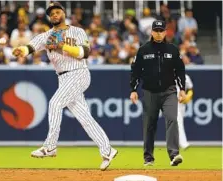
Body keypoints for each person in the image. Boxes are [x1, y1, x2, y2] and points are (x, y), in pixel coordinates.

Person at [12, 2, 117, 171]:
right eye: (51, 13)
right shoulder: (46, 35)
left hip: (78, 72)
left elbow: (85, 53)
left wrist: (62, 46)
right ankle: (108, 150)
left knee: (55, 103)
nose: (54, 15)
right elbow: (30, 47)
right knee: (85, 118)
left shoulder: (77, 31)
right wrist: (21, 51)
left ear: (63, 13)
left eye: (57, 11)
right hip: (63, 78)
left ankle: (50, 146)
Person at [130, 20, 186, 166]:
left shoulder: (173, 50)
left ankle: (174, 154)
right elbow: (136, 71)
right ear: (152, 32)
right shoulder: (143, 50)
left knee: (172, 118)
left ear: (165, 32)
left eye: (161, 31)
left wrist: (183, 90)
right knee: (149, 125)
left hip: (169, 91)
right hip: (150, 92)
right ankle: (148, 158)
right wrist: (133, 90)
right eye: (156, 31)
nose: (159, 33)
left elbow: (180, 70)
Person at [177, 74, 194, 150]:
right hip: (170, 101)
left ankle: (175, 142)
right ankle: (184, 143)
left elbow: (190, 89)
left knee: (178, 122)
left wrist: (188, 97)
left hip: (181, 103)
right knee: (178, 121)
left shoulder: (185, 76)